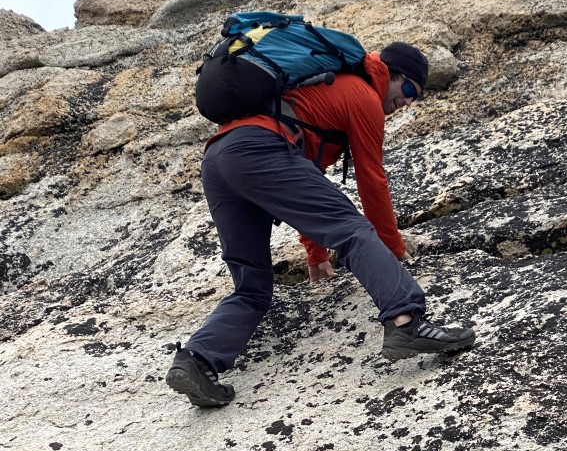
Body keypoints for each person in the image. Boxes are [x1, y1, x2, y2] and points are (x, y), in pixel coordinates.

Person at [166, 42, 476, 407]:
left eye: (415, 98)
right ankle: (406, 322)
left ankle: (196, 360)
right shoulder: (361, 94)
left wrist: (315, 252)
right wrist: (392, 248)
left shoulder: (323, 89)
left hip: (218, 160)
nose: (407, 102)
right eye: (408, 90)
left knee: (252, 285)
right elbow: (371, 180)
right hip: (259, 148)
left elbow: (306, 179)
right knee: (355, 230)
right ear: (389, 74)